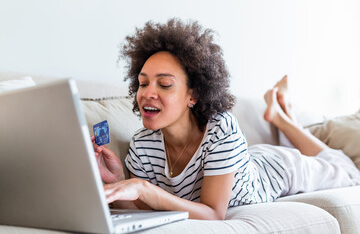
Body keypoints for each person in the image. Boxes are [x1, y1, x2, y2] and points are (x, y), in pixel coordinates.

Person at [91, 18, 360, 220]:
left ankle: (282, 118)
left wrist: (143, 188)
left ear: (192, 95)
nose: (148, 93)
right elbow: (142, 209)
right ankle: (279, 114)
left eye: (164, 85)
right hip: (241, 162)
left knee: (347, 169)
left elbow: (212, 214)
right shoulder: (142, 145)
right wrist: (116, 183)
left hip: (278, 169)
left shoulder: (221, 127)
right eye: (143, 83)